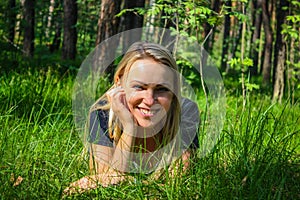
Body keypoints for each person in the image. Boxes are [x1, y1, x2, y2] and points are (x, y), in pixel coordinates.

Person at [64, 42, 200, 195]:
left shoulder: (186, 112)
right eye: (139, 87)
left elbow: (177, 183)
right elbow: (103, 184)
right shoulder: (102, 113)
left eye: (161, 89)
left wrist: (128, 181)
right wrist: (129, 127)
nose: (149, 100)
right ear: (119, 82)